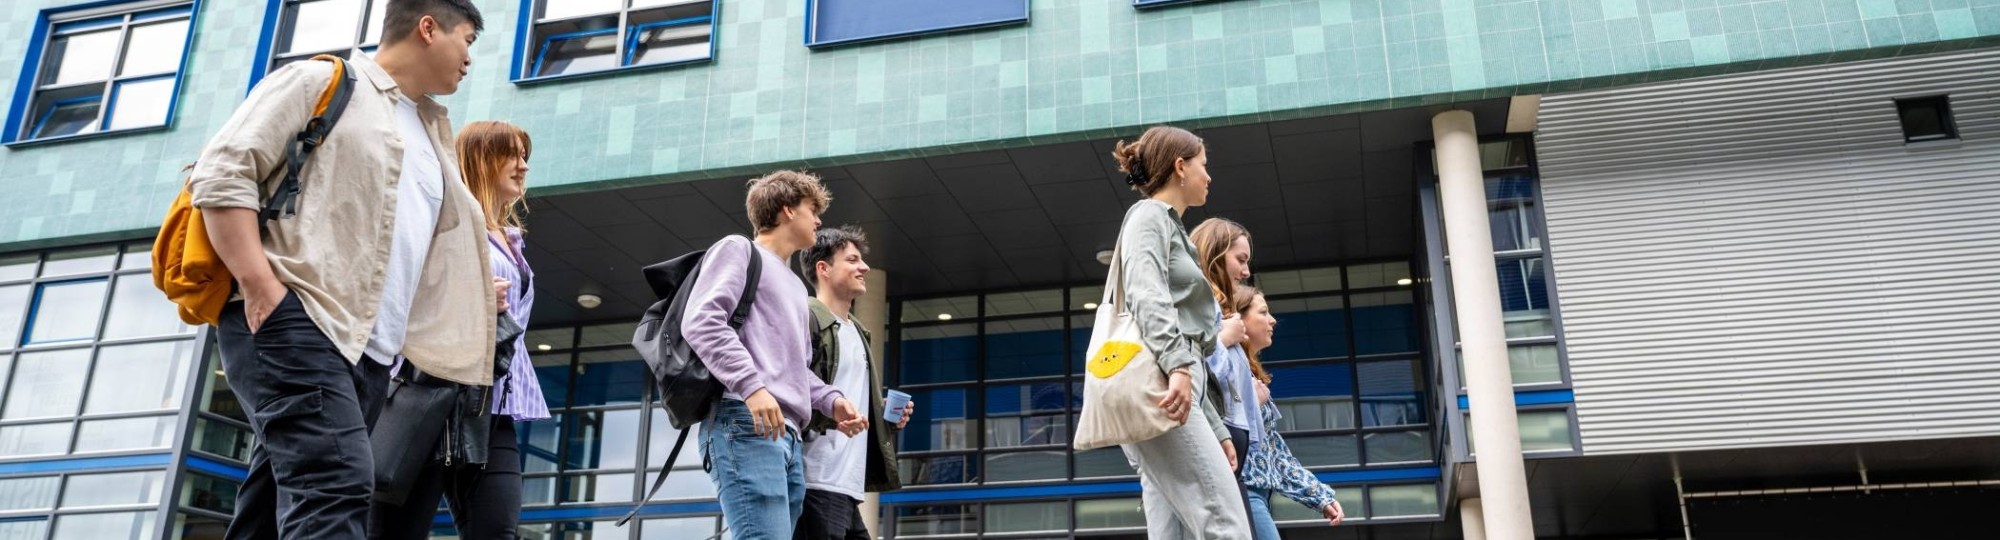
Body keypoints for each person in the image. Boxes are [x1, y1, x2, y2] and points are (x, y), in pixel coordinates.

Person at [186, 0, 493, 537]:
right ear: (428, 28)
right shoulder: (323, 81)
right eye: (467, 39)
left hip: (369, 354)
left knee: (276, 504)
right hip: (298, 319)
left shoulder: (429, 133)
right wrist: (260, 285)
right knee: (338, 483)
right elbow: (221, 175)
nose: (470, 58)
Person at [365, 121, 549, 539]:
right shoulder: (442, 220)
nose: (523, 167)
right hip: (430, 397)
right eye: (513, 155)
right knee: (395, 532)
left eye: (526, 157)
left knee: (497, 530)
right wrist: (474, 295)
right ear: (480, 160)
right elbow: (402, 290)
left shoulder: (510, 239)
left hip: (491, 406)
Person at [684, 171, 869, 538]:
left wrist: (833, 401)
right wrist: (752, 387)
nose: (818, 220)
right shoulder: (739, 250)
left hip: (788, 436)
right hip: (744, 421)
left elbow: (797, 370)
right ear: (787, 210)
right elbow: (701, 322)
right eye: (811, 209)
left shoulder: (797, 288)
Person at [1107, 125, 1251, 538]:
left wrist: (1216, 428)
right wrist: (1179, 368)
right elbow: (1146, 295)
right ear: (1180, 166)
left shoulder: (1172, 230)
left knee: (1175, 534)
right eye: (1204, 165)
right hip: (1166, 388)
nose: (1209, 176)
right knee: (1226, 522)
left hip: (1176, 390)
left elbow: (1188, 348)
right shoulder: (1149, 216)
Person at [794, 226, 914, 540]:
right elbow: (790, 382)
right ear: (823, 268)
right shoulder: (806, 317)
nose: (864, 268)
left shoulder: (858, 331)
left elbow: (848, 404)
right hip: (814, 481)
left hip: (846, 485)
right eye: (852, 260)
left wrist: (881, 414)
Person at [1235, 284, 1347, 538]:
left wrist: (1319, 495)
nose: (1272, 320)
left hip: (1255, 495)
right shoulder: (1227, 368)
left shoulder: (1250, 374)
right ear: (1238, 319)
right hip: (1241, 492)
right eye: (1263, 312)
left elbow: (1274, 453)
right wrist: (1252, 403)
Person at [1191, 218, 1261, 516]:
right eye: (1240, 260)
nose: (1246, 272)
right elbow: (1193, 373)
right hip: (1215, 440)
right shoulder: (1196, 306)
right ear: (1215, 254)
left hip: (1233, 457)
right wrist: (1222, 340)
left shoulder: (1223, 312)